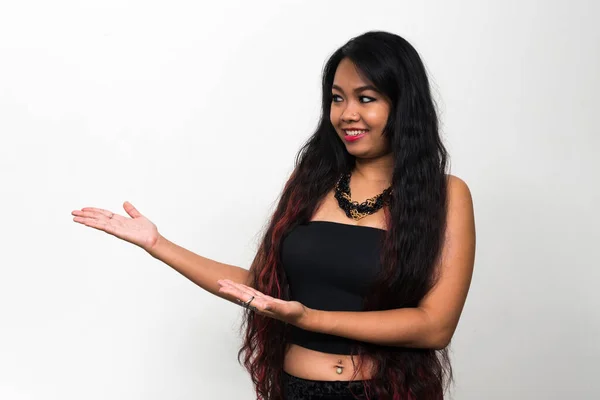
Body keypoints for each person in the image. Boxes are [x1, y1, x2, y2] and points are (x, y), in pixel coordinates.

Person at [72, 30, 476, 400]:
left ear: (403, 105)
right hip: (294, 390)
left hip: (387, 393)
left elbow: (435, 326)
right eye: (337, 98)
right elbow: (257, 287)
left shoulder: (445, 195)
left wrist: (311, 318)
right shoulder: (311, 182)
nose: (347, 114)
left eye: (365, 98)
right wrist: (158, 245)